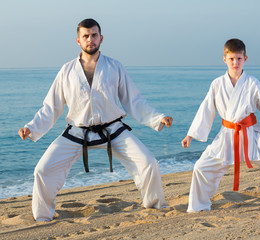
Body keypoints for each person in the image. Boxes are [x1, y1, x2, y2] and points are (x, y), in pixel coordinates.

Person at [18, 18, 173, 222]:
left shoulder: (115, 67)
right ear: (78, 40)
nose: (90, 39)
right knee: (43, 169)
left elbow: (133, 100)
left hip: (113, 130)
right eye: (86, 36)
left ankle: (155, 206)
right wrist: (31, 127)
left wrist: (158, 117)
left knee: (149, 163)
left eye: (94, 35)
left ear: (101, 38)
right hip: (76, 132)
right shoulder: (67, 71)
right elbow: (52, 106)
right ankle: (43, 217)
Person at [181, 38, 260, 213]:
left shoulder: (252, 82)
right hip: (227, 136)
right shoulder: (217, 84)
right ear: (224, 59)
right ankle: (198, 206)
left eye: (239, 58)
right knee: (201, 167)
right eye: (231, 59)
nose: (235, 62)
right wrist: (190, 134)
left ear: (245, 58)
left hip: (252, 135)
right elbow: (206, 109)